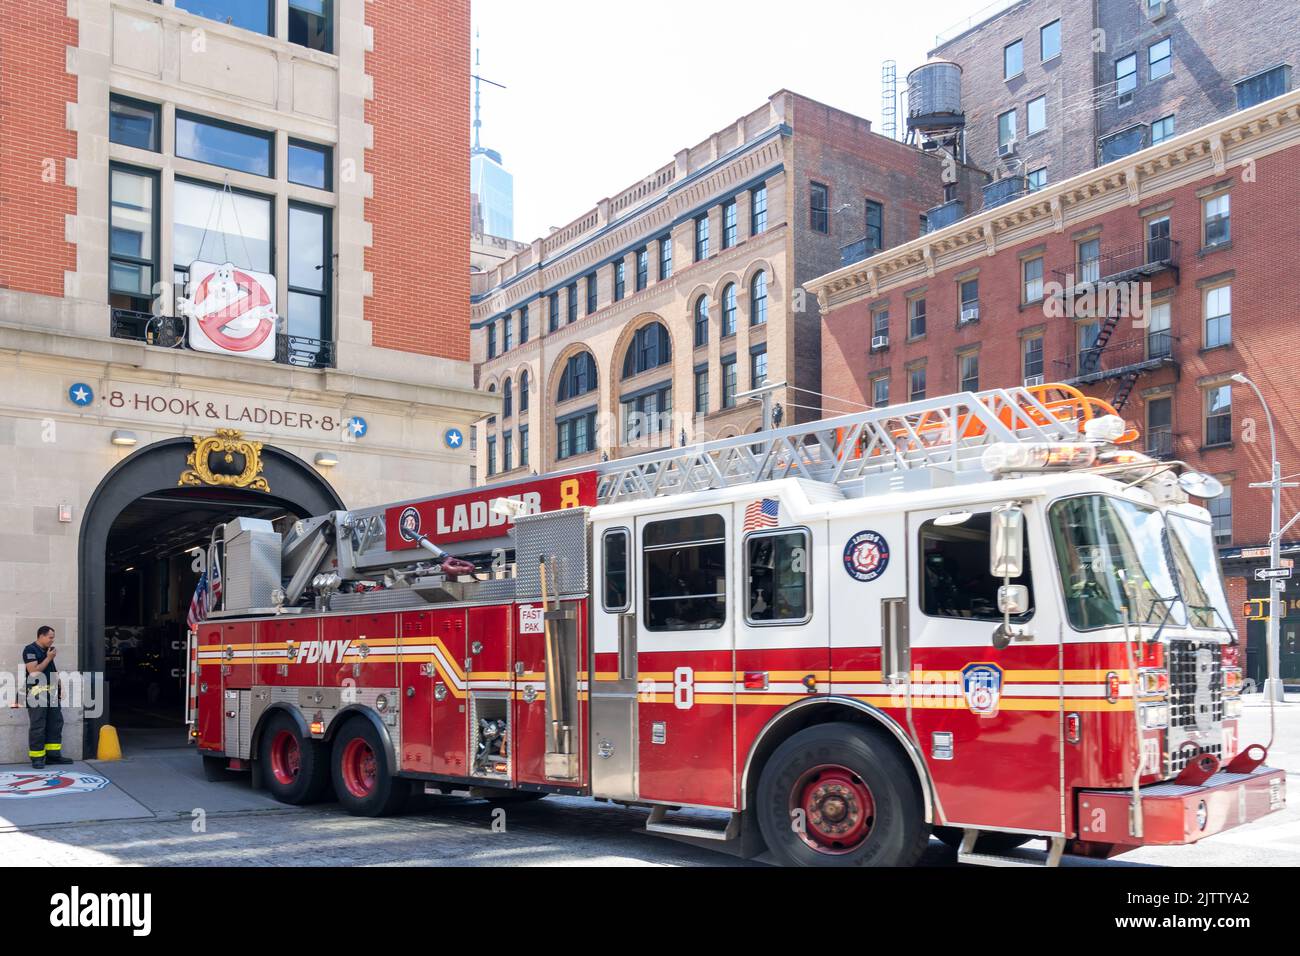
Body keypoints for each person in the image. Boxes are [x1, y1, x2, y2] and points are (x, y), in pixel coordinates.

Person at [22, 626, 70, 769]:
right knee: (38, 725)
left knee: (55, 724)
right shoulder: (30, 650)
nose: (52, 640)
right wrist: (49, 658)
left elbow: (52, 671)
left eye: (53, 637)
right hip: (37, 693)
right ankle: (37, 758)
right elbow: (34, 673)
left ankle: (53, 756)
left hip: (52, 693)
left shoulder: (48, 651)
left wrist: (60, 686)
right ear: (41, 636)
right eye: (50, 637)